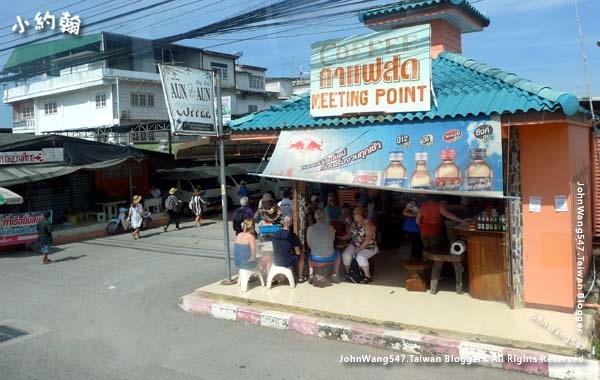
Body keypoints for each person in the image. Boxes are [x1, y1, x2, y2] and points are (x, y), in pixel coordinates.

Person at [342, 206, 378, 284]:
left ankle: (367, 277)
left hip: (369, 246)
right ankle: (349, 274)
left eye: (355, 213)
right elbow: (351, 235)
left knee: (360, 257)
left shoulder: (368, 223)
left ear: (362, 214)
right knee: (346, 255)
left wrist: (360, 248)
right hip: (355, 244)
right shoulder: (354, 224)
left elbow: (369, 238)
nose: (353, 215)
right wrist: (341, 237)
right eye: (353, 213)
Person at [307, 209, 341, 283]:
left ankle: (311, 274)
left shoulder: (310, 228)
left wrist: (317, 250)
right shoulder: (331, 228)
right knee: (338, 254)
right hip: (329, 257)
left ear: (315, 217)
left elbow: (309, 244)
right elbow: (332, 241)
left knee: (310, 255)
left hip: (315, 257)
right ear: (324, 217)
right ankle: (335, 274)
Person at [272, 215, 306, 283]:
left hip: (276, 260)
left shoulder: (275, 234)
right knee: (302, 255)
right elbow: (298, 252)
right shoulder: (292, 235)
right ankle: (300, 277)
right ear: (291, 224)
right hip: (286, 261)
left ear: (282, 223)